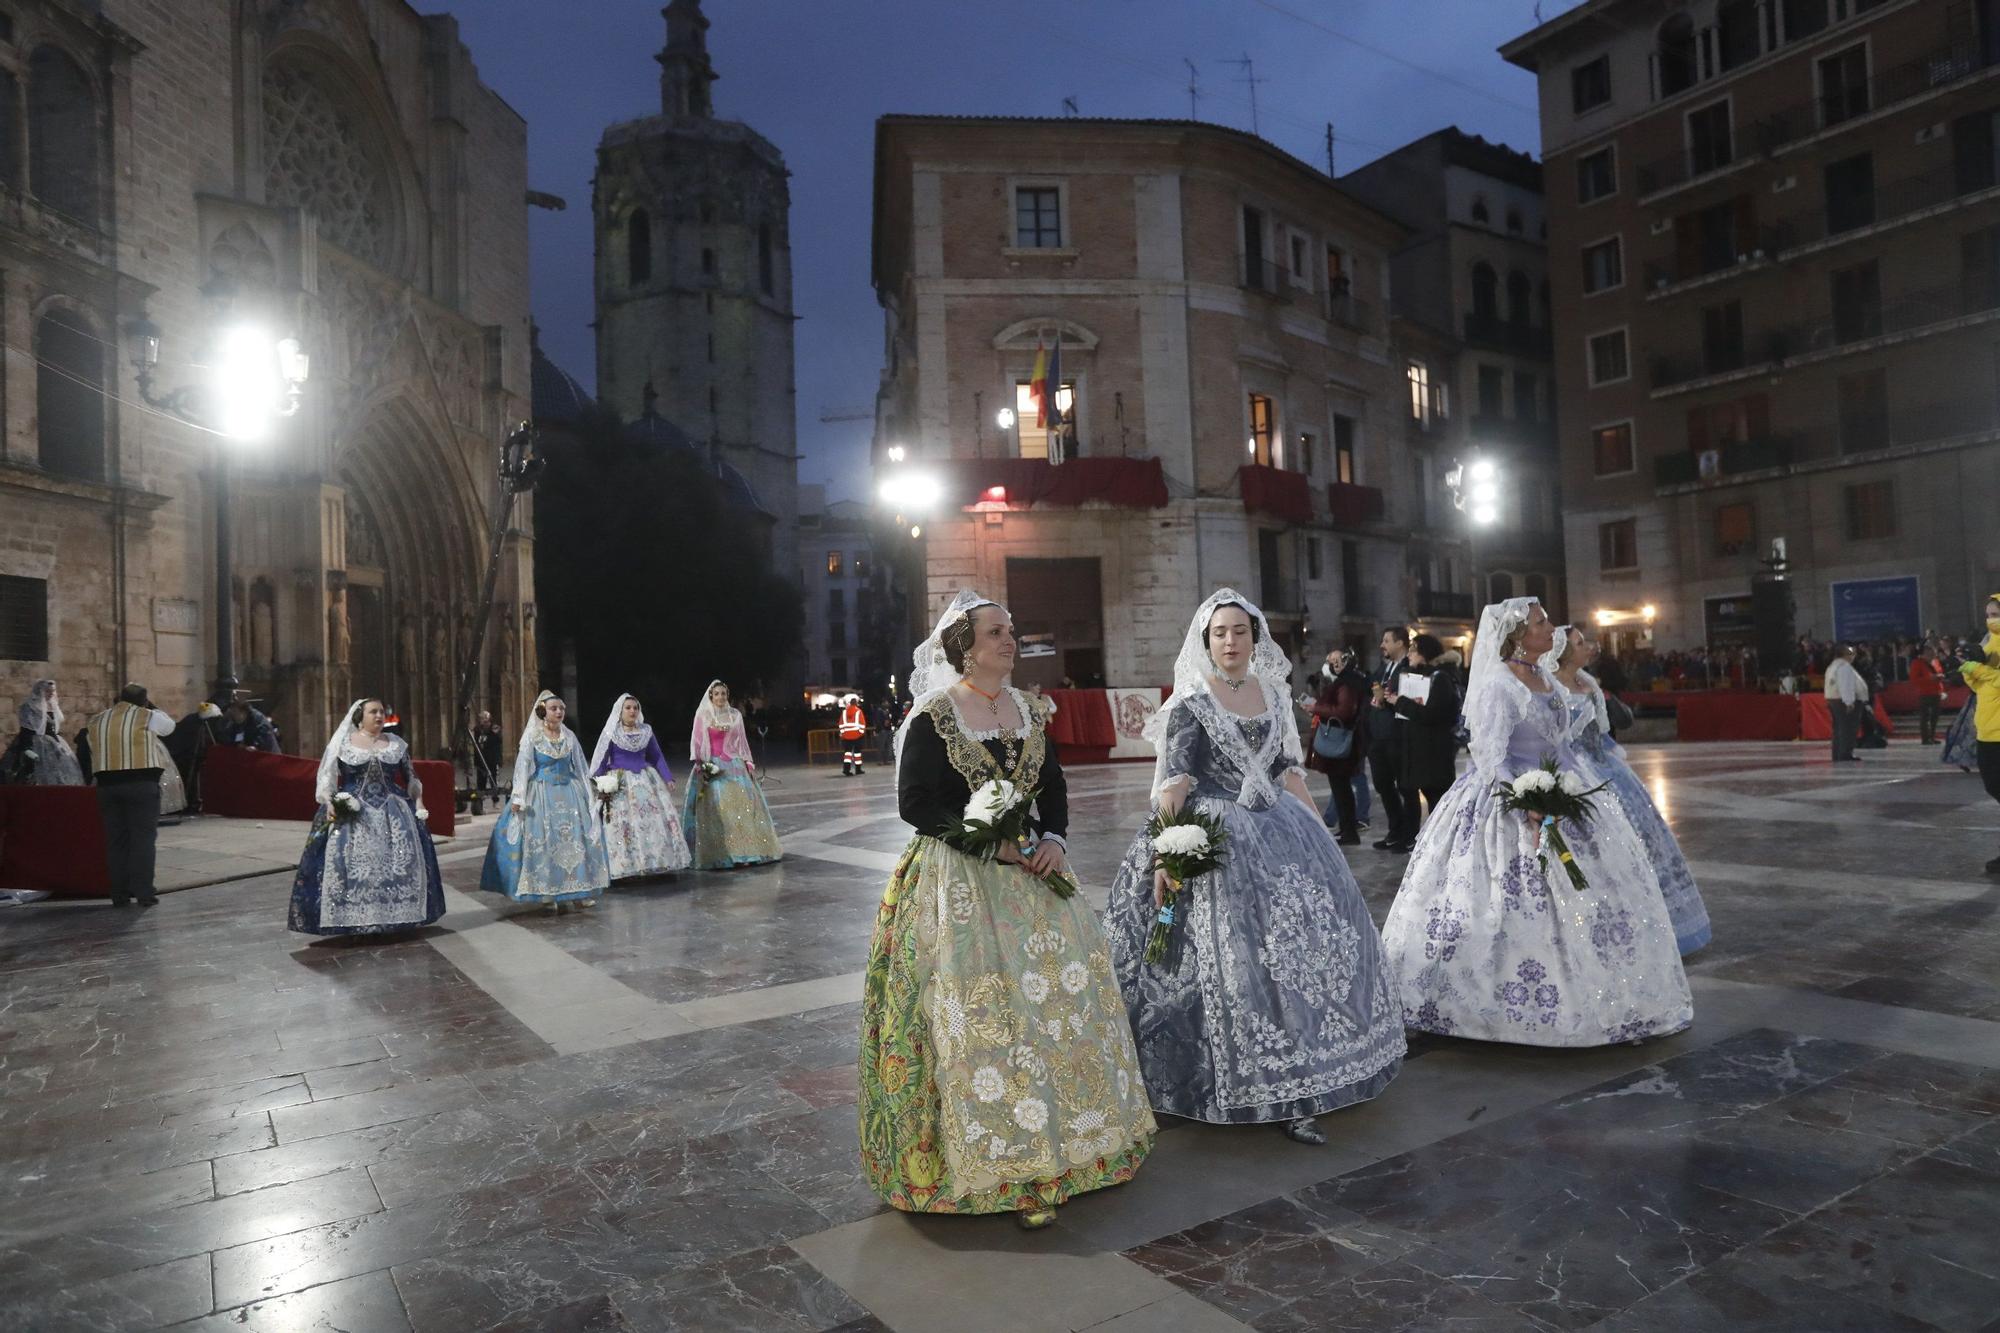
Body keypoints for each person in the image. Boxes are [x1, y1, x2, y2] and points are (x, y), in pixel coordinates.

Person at [858, 590, 1154, 1229]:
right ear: (965, 646)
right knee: (987, 1019)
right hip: (961, 880)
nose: (1009, 640)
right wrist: (988, 841)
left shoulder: (1028, 708)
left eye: (1011, 631)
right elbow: (916, 804)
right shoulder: (937, 715)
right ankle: (1006, 1163)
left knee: (1055, 1008)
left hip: (1036, 881)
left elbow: (1054, 788)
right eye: (996, 632)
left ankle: (1073, 1146)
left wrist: (1053, 838)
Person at [1105, 592, 1404, 1145]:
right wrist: (1165, 854)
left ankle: (1309, 1071)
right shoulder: (1191, 703)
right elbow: (1173, 786)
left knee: (1300, 951)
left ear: (1256, 636)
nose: (1230, 641)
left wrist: (1322, 835)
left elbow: (1289, 772)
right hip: (1216, 837)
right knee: (1241, 958)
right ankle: (1258, 1082)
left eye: (1239, 631)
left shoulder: (1272, 694)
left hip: (1283, 830)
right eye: (1220, 633)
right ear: (1206, 641)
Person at [1380, 598, 1693, 1046]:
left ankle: (1607, 995)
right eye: (1542, 623)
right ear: (1517, 634)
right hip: (1508, 799)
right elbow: (1489, 755)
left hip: (1562, 788)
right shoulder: (1498, 685)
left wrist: (1575, 788)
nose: (1551, 628)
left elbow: (1561, 744)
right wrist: (1523, 797)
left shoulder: (1545, 677)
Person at [1547, 626, 1711, 955]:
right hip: (1578, 771)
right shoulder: (1551, 688)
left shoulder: (1589, 682)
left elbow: (1605, 730)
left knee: (1642, 837)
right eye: (1580, 644)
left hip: (1605, 766)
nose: (1588, 648)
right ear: (1564, 653)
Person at [289, 698, 445, 936]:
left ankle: (397, 915)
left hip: (394, 811)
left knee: (399, 862)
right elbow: (327, 778)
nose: (379, 716)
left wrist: (419, 800)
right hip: (353, 812)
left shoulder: (395, 744)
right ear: (360, 717)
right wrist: (330, 801)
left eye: (382, 712)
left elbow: (411, 778)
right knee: (351, 864)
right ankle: (352, 918)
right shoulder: (344, 744)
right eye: (373, 712)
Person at [480, 691, 609, 912]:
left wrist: (590, 792)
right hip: (541, 793)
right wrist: (519, 796)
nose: (559, 712)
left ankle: (581, 891)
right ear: (543, 712)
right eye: (554, 709)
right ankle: (548, 892)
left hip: (570, 793)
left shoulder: (569, 737)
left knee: (576, 838)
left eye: (561, 709)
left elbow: (579, 766)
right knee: (545, 840)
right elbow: (522, 766)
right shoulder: (533, 737)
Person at [84, 684, 176, 907]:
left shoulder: (97, 720)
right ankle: (144, 892)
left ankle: (119, 893)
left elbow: (90, 745)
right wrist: (151, 708)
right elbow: (170, 727)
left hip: (107, 786)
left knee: (116, 841)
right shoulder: (147, 716)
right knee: (142, 839)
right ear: (144, 701)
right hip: (140, 785)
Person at [589, 693, 691, 880]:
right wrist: (598, 783)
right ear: (620, 711)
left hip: (645, 780)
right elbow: (602, 760)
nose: (632, 711)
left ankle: (655, 862)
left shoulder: (646, 730)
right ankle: (625, 866)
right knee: (624, 823)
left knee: (651, 821)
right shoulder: (612, 732)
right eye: (628, 708)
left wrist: (668, 777)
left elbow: (657, 756)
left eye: (635, 708)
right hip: (620, 782)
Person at [684, 681, 783, 868]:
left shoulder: (735, 715)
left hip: (734, 765)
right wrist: (701, 765)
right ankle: (723, 853)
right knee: (719, 807)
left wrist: (748, 762)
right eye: (717, 694)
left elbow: (741, 742)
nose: (721, 697)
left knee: (742, 807)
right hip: (712, 765)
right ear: (711, 696)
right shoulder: (703, 716)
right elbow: (697, 743)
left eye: (723, 694)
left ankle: (745, 851)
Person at [1387, 633, 1462, 830]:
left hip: (1435, 755)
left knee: (1439, 805)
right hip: (1423, 753)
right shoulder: (1425, 676)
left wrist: (1401, 702)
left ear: (1424, 653)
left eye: (1413, 650)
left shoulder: (1441, 678)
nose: (1409, 654)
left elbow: (1432, 714)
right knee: (1432, 802)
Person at [1303, 646, 1369, 844]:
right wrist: (1317, 709)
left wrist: (1317, 707)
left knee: (1343, 789)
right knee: (1340, 789)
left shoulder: (1347, 683)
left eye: (1335, 661)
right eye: (1329, 661)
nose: (1331, 665)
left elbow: (1343, 711)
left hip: (1343, 742)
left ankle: (1349, 831)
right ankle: (1346, 829)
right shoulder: (1344, 682)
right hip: (1342, 740)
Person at [1956, 594, 2000, 874]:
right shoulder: (1990, 643)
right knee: (1993, 787)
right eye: (1987, 614)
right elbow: (1981, 687)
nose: (1991, 618)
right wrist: (1968, 670)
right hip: (1987, 730)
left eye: (1995, 613)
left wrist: (1978, 669)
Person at [1366, 626, 1414, 852]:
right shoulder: (1384, 668)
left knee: (1406, 787)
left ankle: (1410, 834)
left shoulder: (1408, 668)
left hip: (1398, 735)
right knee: (1383, 785)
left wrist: (1388, 699)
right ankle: (1395, 830)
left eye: (1386, 641)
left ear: (1400, 644)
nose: (1382, 645)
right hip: (1378, 736)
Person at [4, 679, 84, 785]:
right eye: (47, 691)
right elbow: (26, 730)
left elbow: (53, 729)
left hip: (53, 743)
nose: (51, 694)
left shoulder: (53, 706)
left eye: (53, 691)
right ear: (40, 691)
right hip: (34, 743)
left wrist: (59, 745)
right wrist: (27, 749)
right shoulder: (30, 707)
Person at [1824, 645, 1866, 763]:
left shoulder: (1832, 666)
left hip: (1834, 699)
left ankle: (1837, 753)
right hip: (1843, 701)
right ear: (1846, 655)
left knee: (1839, 728)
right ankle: (1845, 754)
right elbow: (1846, 685)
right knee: (1848, 728)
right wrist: (1849, 702)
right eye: (1852, 654)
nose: (1854, 657)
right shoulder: (1844, 667)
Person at [1911, 641, 1948, 746]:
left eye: (1932, 651)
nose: (1931, 653)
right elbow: (1914, 679)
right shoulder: (1917, 663)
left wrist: (1940, 682)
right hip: (1924, 693)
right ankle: (1925, 738)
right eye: (1928, 651)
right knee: (1925, 717)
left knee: (1934, 717)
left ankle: (1932, 736)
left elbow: (1939, 673)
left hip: (1936, 692)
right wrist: (1929, 678)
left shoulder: (1935, 662)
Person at [472, 710, 505, 800]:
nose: (484, 723)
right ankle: (480, 801)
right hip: (481, 759)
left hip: (492, 759)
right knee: (481, 781)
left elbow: (498, 741)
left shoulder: (495, 729)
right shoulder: (478, 730)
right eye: (482, 720)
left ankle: (495, 799)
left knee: (493, 779)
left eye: (485, 721)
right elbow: (476, 744)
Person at [839, 693, 868, 777]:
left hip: (846, 736)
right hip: (857, 736)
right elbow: (862, 724)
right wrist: (861, 733)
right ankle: (858, 769)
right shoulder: (858, 711)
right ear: (856, 703)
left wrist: (843, 733)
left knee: (847, 754)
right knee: (857, 753)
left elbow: (840, 724)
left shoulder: (844, 712)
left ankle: (846, 770)